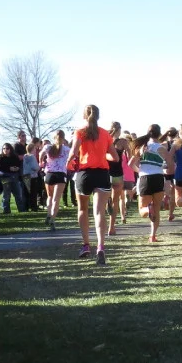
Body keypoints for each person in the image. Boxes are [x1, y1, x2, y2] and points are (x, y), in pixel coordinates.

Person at [64, 105, 119, 264]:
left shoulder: (80, 132)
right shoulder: (105, 134)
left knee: (82, 209)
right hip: (102, 174)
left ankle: (86, 244)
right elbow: (115, 157)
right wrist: (102, 154)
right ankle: (100, 246)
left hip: (84, 173)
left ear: (84, 116)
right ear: (98, 116)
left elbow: (74, 151)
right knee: (99, 212)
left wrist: (69, 162)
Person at [132, 125, 170, 243]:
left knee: (142, 210)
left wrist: (141, 171)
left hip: (144, 179)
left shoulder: (142, 147)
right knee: (157, 209)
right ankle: (153, 236)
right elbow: (170, 164)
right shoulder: (161, 148)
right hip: (158, 178)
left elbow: (130, 164)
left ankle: (149, 210)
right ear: (159, 134)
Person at [41, 130, 71, 231]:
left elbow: (41, 154)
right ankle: (53, 219)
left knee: (50, 196)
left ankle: (49, 214)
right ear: (63, 138)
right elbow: (73, 157)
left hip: (49, 174)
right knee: (56, 199)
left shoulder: (48, 147)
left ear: (54, 138)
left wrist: (41, 162)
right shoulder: (66, 149)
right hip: (61, 174)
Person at [106, 122, 127, 235]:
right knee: (116, 201)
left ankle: (106, 202)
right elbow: (130, 155)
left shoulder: (105, 140)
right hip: (118, 173)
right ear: (120, 130)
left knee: (105, 196)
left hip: (105, 173)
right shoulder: (123, 142)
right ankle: (111, 227)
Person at [0, 143, 23, 213]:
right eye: (4, 148)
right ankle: (6, 211)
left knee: (18, 194)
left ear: (10, 149)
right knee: (6, 195)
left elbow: (18, 164)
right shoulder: (0, 157)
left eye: (7, 148)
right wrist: (9, 168)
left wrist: (16, 168)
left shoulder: (15, 157)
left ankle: (21, 210)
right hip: (5, 177)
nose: (5, 150)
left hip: (15, 176)